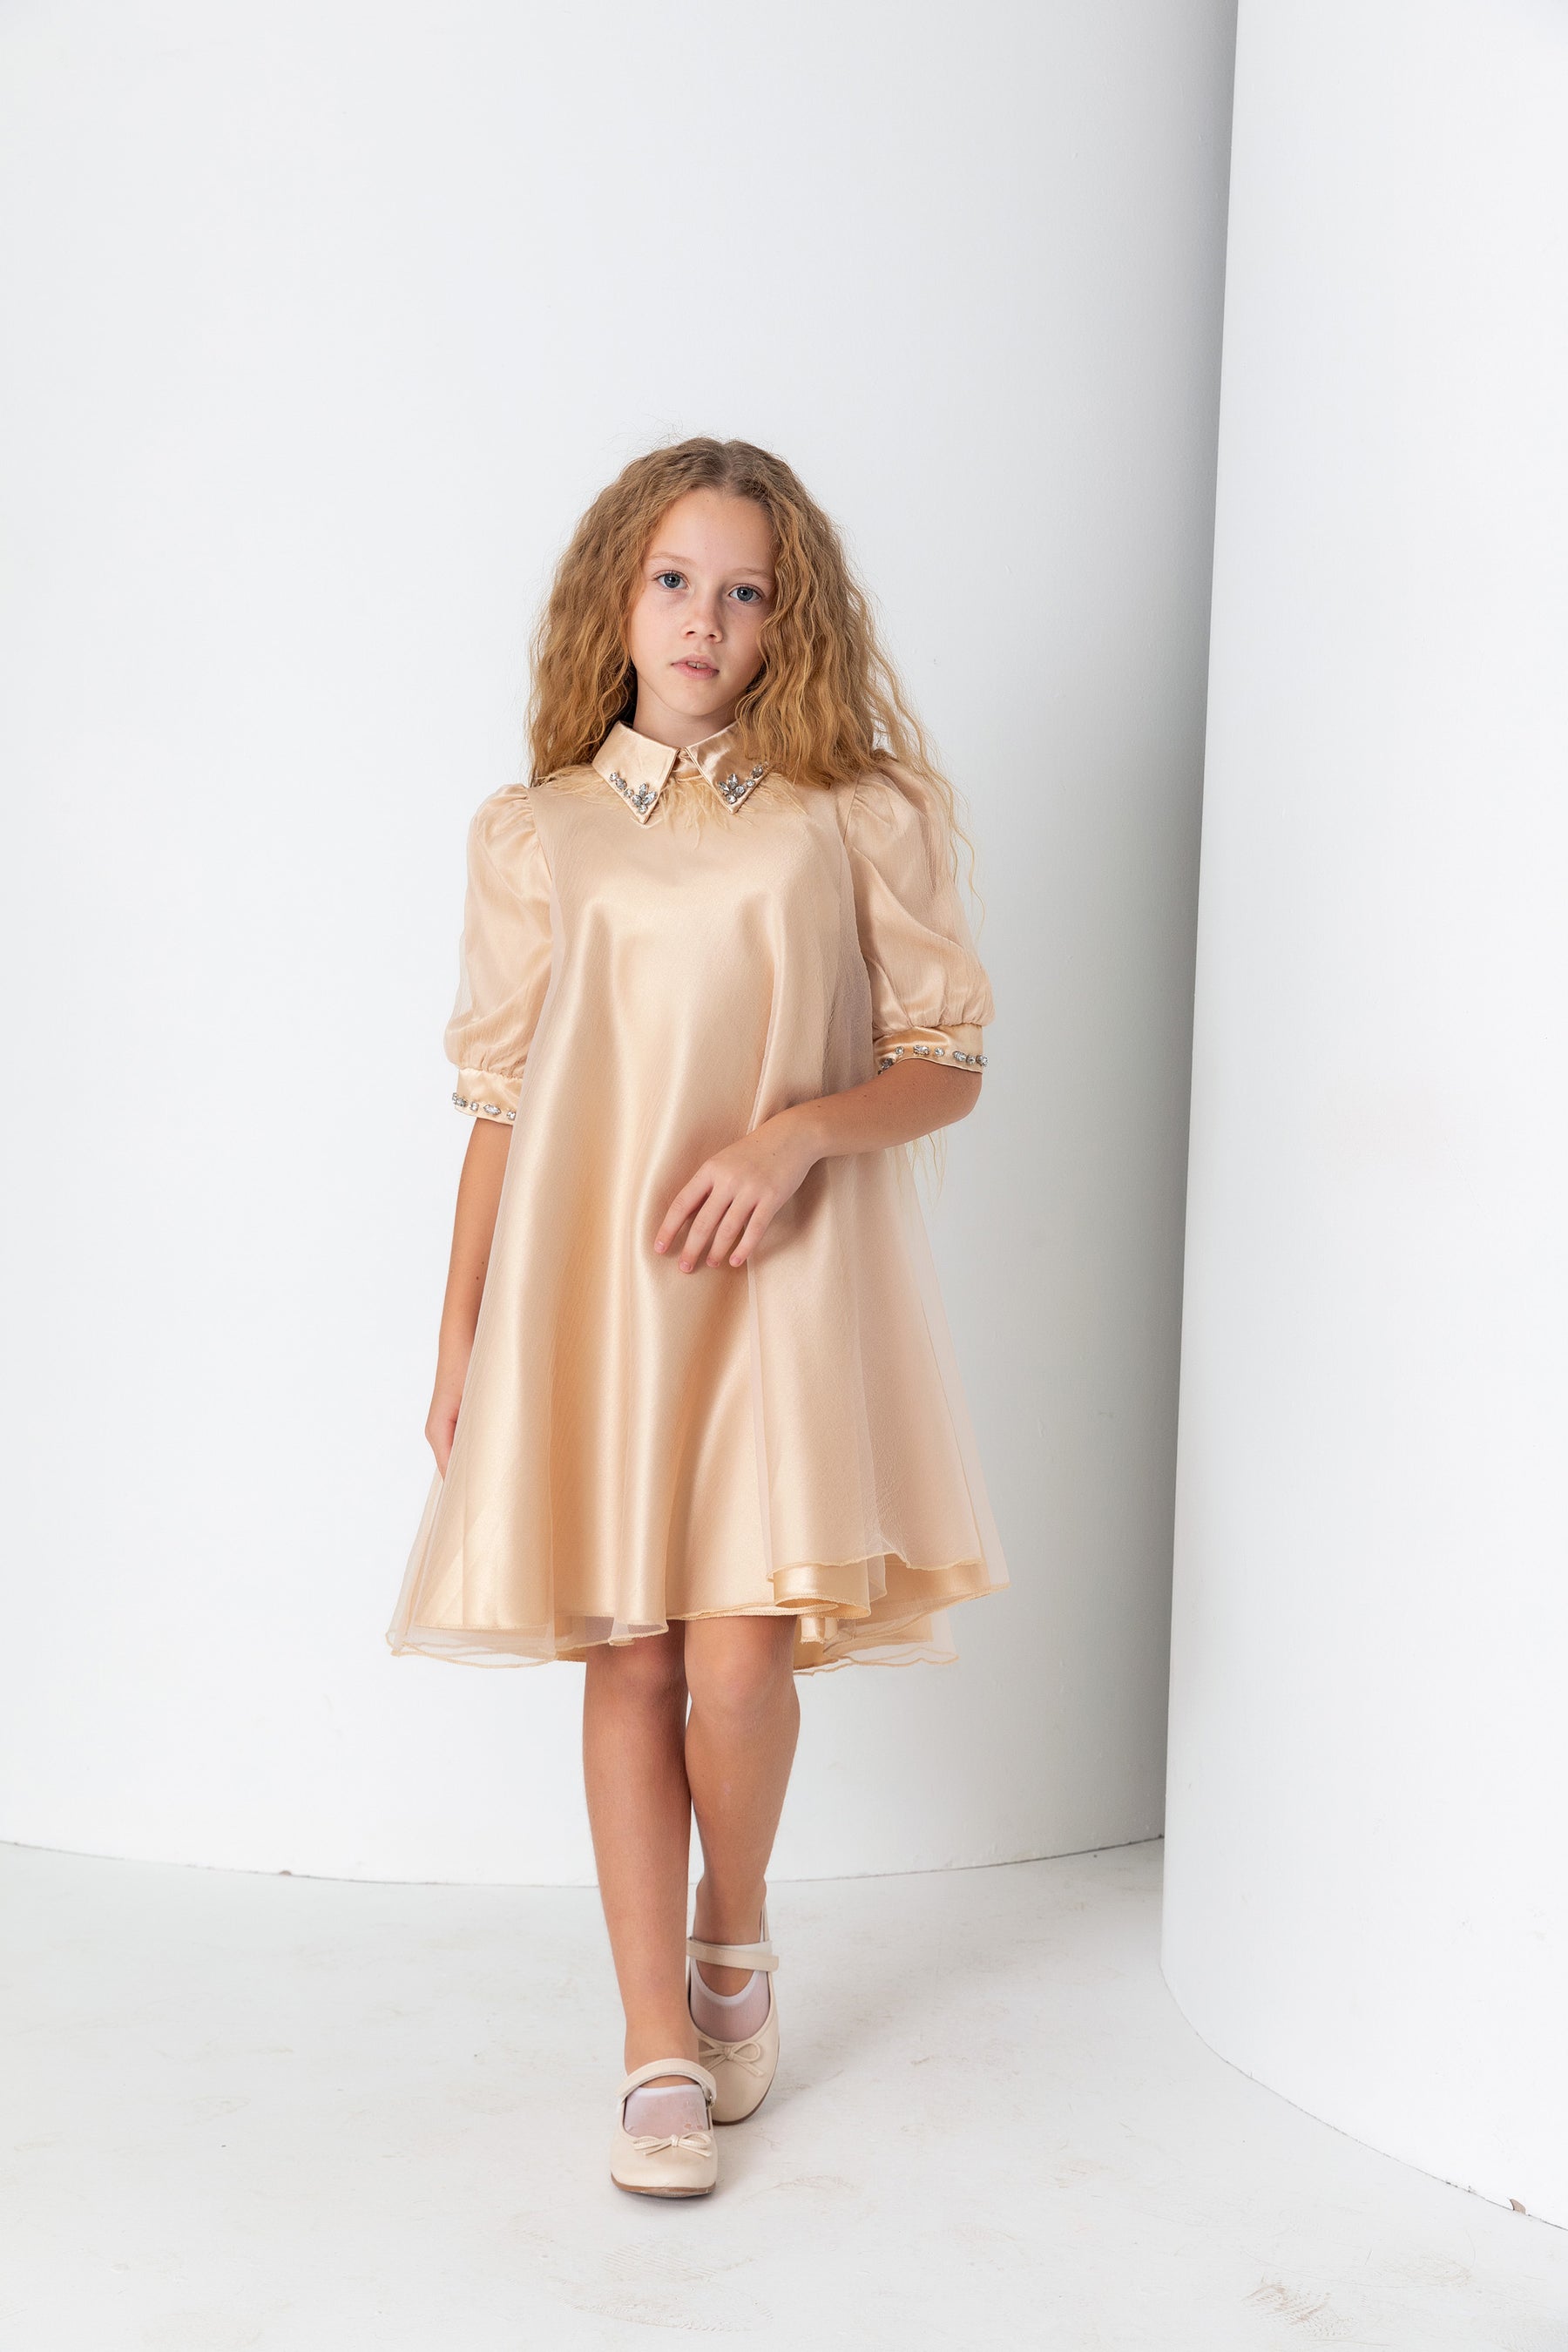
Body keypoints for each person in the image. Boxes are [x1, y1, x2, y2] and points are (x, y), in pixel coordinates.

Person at [385, 436, 1009, 2198]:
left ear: (787, 620)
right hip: (598, 1299)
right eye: (674, 581)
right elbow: (502, 1105)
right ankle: (657, 2039)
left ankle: (736, 1920)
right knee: (631, 1654)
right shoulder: (538, 831)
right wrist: (459, 1339)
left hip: (779, 1295)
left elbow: (947, 1061)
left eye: (745, 592)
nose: (704, 621)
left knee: (740, 1661)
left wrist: (799, 1136)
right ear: (620, 596)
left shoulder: (856, 813)